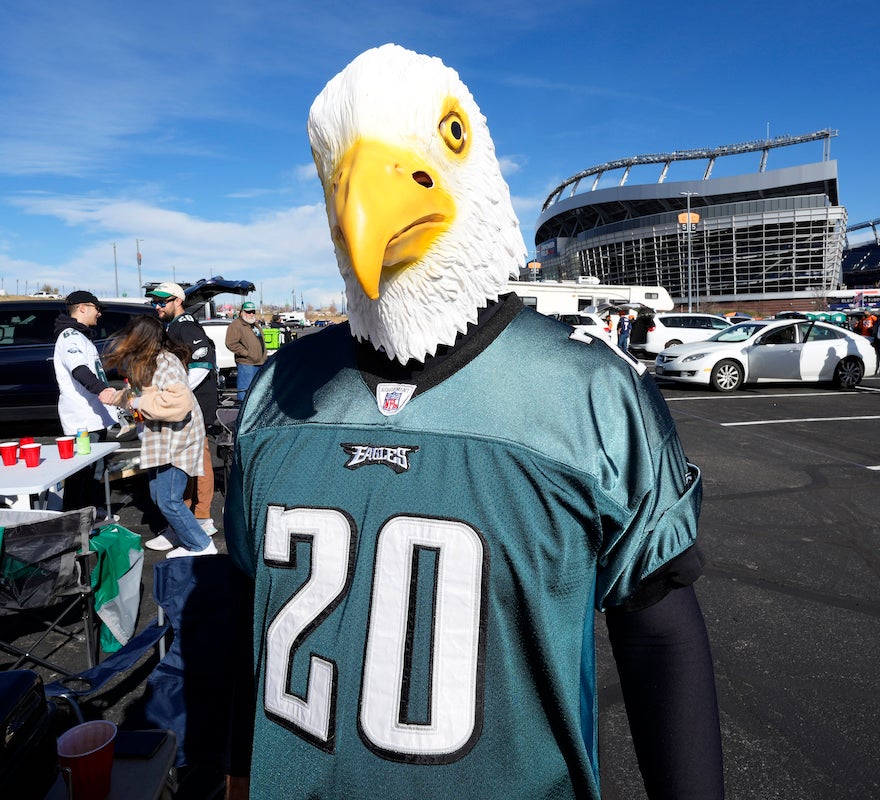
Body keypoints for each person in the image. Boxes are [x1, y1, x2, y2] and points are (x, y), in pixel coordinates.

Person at [224, 43, 722, 800]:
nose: (370, 182)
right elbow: (248, 618)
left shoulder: (591, 393)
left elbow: (659, 635)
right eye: (338, 164)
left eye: (445, 136)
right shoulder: (279, 392)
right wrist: (237, 769)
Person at [106, 315, 216, 558]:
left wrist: (137, 401)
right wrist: (116, 397)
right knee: (158, 494)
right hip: (162, 439)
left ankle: (201, 545)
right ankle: (179, 532)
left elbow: (180, 402)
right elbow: (138, 394)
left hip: (178, 438)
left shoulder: (166, 363)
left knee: (168, 499)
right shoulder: (148, 361)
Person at [149, 281, 220, 536]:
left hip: (195, 405)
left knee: (199, 460)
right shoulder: (173, 327)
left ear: (177, 301)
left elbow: (203, 365)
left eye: (162, 301)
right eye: (154, 302)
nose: (156, 306)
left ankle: (202, 517)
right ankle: (188, 513)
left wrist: (173, 394)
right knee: (187, 461)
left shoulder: (186, 326)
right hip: (186, 405)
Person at [53, 290, 120, 510]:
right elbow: (79, 370)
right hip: (82, 420)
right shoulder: (69, 336)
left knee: (96, 470)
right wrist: (103, 390)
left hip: (94, 417)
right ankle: (74, 520)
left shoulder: (81, 335)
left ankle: (93, 513)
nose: (99, 313)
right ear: (82, 307)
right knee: (80, 473)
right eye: (96, 308)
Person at [225, 301, 266, 402]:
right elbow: (230, 343)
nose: (251, 314)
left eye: (253, 311)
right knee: (245, 392)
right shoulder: (236, 325)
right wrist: (246, 353)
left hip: (260, 363)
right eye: (248, 312)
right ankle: (242, 413)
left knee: (256, 392)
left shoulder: (255, 325)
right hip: (247, 364)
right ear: (241, 312)